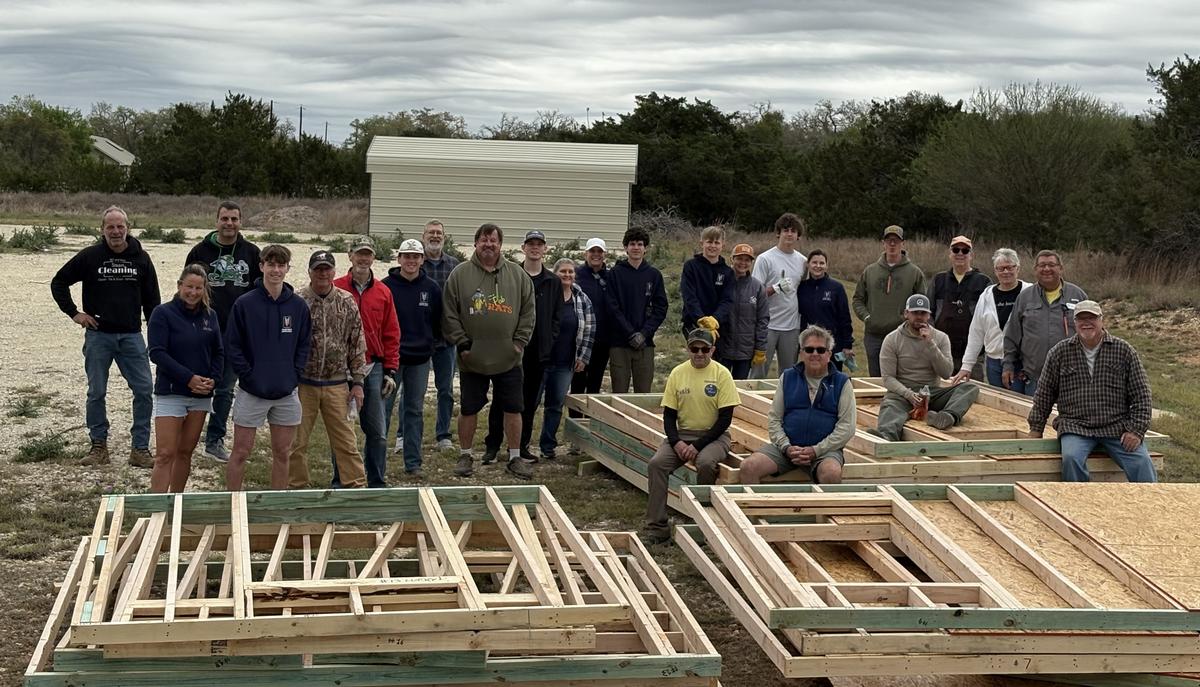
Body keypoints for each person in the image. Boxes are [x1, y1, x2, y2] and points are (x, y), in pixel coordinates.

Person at [51, 205, 160, 467]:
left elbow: (153, 301)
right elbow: (59, 282)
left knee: (145, 390)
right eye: (110, 226)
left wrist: (156, 334)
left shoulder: (141, 259)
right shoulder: (90, 256)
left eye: (120, 226)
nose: (115, 231)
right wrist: (74, 313)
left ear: (128, 228)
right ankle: (98, 446)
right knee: (96, 392)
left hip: (131, 336)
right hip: (99, 336)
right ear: (102, 230)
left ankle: (140, 449)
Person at [442, 223, 536, 480]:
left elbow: (528, 312)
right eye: (484, 240)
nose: (488, 244)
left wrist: (518, 343)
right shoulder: (459, 275)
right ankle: (465, 454)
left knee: (514, 408)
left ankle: (515, 457)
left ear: (500, 245)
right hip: (472, 359)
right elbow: (449, 312)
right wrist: (462, 344)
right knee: (469, 408)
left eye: (493, 240)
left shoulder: (517, 275)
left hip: (510, 358)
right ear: (475, 244)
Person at [1027, 301, 1156, 483]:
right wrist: (1036, 428)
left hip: (1116, 427)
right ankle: (1077, 504)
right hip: (1075, 426)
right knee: (1071, 459)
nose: (1086, 323)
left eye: (1092, 318)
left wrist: (1136, 430)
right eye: (1081, 319)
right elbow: (1044, 394)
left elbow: (1142, 394)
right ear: (1074, 322)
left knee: (1142, 463)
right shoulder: (1059, 352)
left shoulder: (1124, 350)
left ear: (1102, 320)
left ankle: (1151, 506)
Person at [224, 244, 311, 490]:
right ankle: (233, 502)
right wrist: (249, 376)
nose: (275, 270)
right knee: (241, 451)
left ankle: (277, 507)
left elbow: (304, 345)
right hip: (252, 391)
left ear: (287, 269)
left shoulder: (298, 306)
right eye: (270, 264)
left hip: (286, 392)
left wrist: (294, 375)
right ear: (261, 266)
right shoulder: (244, 304)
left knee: (283, 453)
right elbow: (233, 345)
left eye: (280, 265)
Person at [643, 329, 740, 545]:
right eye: (695, 349)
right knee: (657, 464)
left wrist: (697, 446)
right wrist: (676, 442)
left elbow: (724, 419)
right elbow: (669, 415)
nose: (699, 353)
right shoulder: (678, 373)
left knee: (706, 463)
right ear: (688, 349)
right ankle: (656, 527)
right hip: (682, 435)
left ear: (712, 350)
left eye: (704, 349)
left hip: (714, 436)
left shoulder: (722, 374)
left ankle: (703, 523)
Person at [185, 201, 261, 462]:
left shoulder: (251, 253)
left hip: (236, 332)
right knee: (196, 384)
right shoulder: (199, 251)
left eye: (234, 219)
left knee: (225, 388)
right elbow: (188, 290)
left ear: (241, 222)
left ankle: (214, 439)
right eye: (225, 219)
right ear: (216, 220)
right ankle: (186, 436)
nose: (229, 224)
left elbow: (259, 293)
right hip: (203, 329)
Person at [287, 250, 368, 490]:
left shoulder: (346, 301)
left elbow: (357, 343)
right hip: (303, 384)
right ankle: (297, 489)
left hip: (337, 384)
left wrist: (358, 383)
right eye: (318, 269)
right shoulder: (298, 301)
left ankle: (355, 489)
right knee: (296, 442)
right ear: (310, 271)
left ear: (334, 271)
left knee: (346, 442)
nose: (322, 273)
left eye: (327, 269)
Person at [740, 325, 856, 485]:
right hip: (787, 449)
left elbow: (847, 427)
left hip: (824, 452)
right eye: (809, 350)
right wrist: (786, 447)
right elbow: (774, 418)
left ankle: (824, 511)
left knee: (831, 473)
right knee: (748, 466)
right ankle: (754, 509)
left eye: (821, 350)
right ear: (801, 353)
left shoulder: (842, 382)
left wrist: (816, 450)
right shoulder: (787, 377)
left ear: (829, 354)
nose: (815, 354)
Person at [146, 264, 223, 493]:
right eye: (189, 287)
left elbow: (219, 351)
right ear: (180, 286)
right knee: (165, 454)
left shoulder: (211, 315)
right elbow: (157, 352)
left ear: (204, 289)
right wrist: (188, 378)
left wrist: (214, 379)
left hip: (200, 395)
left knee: (185, 452)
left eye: (199, 288)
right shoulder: (163, 313)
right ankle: (157, 506)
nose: (193, 292)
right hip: (171, 392)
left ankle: (176, 501)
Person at [485, 230, 559, 463]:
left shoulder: (553, 282)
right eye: (531, 244)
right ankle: (493, 445)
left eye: (539, 244)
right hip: (510, 350)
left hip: (538, 351)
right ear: (523, 248)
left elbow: (558, 316)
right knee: (501, 399)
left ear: (545, 249)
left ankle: (521, 446)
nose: (535, 248)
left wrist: (550, 339)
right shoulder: (510, 275)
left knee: (529, 401)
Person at [333, 235, 400, 487]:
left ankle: (376, 482)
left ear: (374, 258)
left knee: (378, 432)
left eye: (368, 254)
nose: (363, 258)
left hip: (372, 366)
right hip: (340, 370)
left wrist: (390, 370)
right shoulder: (336, 287)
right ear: (349, 255)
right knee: (341, 430)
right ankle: (341, 481)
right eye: (359, 253)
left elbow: (392, 333)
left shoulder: (384, 293)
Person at [874, 294, 980, 440]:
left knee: (969, 388)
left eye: (923, 313)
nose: (919, 317)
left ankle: (947, 416)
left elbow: (946, 372)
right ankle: (886, 436)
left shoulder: (941, 338)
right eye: (915, 313)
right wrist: (909, 395)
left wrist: (930, 344)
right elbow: (888, 378)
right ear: (906, 314)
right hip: (903, 393)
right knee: (890, 406)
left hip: (931, 392)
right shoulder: (892, 339)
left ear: (929, 315)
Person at [382, 239, 443, 478]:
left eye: (415, 257)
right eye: (406, 256)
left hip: (419, 359)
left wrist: (430, 343)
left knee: (414, 410)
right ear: (398, 259)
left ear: (422, 260)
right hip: (392, 359)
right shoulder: (386, 287)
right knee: (383, 409)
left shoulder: (431, 288)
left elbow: (437, 321)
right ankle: (378, 462)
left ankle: (413, 462)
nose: (411, 261)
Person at [1003, 250, 1088, 397]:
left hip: (1073, 379)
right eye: (1042, 265)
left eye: (1051, 265)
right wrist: (1008, 364)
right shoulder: (1025, 298)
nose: (1046, 269)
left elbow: (1094, 333)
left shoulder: (1078, 296)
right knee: (1036, 419)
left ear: (1060, 268)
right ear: (1035, 269)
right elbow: (1012, 334)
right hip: (1036, 379)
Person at [540, 258, 596, 460]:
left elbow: (589, 330)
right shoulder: (545, 295)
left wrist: (583, 357)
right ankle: (521, 446)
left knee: (555, 406)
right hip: (541, 360)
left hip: (566, 361)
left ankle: (547, 445)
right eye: (563, 271)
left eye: (571, 272)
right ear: (555, 273)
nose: (567, 275)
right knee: (530, 403)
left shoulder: (582, 299)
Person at [951, 248, 1031, 390]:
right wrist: (967, 365)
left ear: (1017, 268)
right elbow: (977, 332)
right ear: (995, 271)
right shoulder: (986, 296)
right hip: (994, 362)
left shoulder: (1029, 293)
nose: (1005, 272)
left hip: (1021, 362)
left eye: (1009, 267)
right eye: (1001, 269)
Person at [853, 225, 927, 377]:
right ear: (883, 243)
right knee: (876, 379)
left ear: (903, 243)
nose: (892, 244)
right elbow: (857, 299)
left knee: (902, 379)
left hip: (903, 336)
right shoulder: (870, 271)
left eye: (896, 240)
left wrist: (908, 320)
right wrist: (867, 317)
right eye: (889, 240)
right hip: (874, 335)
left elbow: (922, 305)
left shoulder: (914, 273)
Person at [608, 228, 668, 393]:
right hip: (620, 344)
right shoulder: (615, 274)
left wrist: (644, 333)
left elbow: (660, 308)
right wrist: (630, 333)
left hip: (645, 344)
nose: (636, 247)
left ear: (645, 248)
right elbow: (612, 308)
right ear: (626, 247)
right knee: (619, 394)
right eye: (632, 244)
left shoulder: (654, 275)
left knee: (643, 394)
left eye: (640, 244)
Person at [751, 212, 808, 378]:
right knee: (758, 373)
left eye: (793, 231)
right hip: (766, 325)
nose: (789, 234)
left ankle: (785, 404)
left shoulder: (803, 261)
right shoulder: (765, 259)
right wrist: (774, 289)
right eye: (785, 230)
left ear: (798, 236)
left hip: (791, 327)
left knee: (789, 375)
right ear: (778, 233)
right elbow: (754, 294)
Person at [421, 220, 461, 452]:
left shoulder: (454, 265)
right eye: (431, 233)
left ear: (444, 237)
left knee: (445, 389)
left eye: (439, 233)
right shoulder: (415, 261)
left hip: (446, 339)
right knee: (413, 391)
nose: (435, 236)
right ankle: (403, 436)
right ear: (423, 235)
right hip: (419, 339)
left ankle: (443, 435)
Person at [928, 235, 993, 372]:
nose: (960, 254)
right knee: (941, 391)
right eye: (956, 250)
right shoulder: (938, 280)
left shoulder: (983, 281)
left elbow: (989, 319)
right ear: (950, 254)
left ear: (971, 255)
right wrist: (933, 341)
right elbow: (929, 314)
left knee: (971, 391)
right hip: (942, 352)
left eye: (965, 251)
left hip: (973, 355)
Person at [796, 249, 855, 372]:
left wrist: (847, 345)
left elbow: (844, 317)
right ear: (808, 265)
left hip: (832, 345)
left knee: (832, 379)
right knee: (809, 378)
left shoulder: (836, 288)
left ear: (826, 266)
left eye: (822, 263)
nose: (818, 266)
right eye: (814, 262)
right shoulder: (801, 287)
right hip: (809, 344)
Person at [571, 237, 617, 395]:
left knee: (595, 385)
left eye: (599, 251)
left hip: (603, 340)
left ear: (605, 255)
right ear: (585, 254)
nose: (596, 255)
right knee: (577, 383)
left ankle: (592, 419)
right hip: (581, 340)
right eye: (592, 251)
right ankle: (576, 419)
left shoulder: (611, 277)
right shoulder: (576, 275)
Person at [716, 243, 768, 380]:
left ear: (751, 262)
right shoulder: (721, 282)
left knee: (740, 390)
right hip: (723, 348)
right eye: (739, 258)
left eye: (747, 260)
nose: (743, 263)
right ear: (732, 259)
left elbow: (763, 319)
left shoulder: (757, 287)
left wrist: (760, 348)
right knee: (720, 387)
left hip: (745, 351)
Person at [680, 226, 735, 339]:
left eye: (717, 242)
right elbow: (689, 297)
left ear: (723, 245)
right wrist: (701, 320)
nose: (713, 246)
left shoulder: (727, 272)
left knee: (715, 356)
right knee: (699, 355)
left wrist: (715, 319)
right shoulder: (691, 266)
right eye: (709, 242)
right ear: (702, 243)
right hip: (694, 323)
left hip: (718, 325)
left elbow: (727, 300)